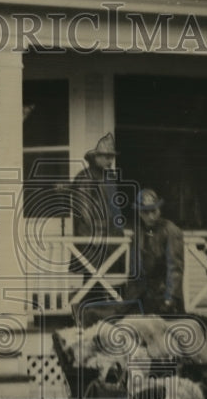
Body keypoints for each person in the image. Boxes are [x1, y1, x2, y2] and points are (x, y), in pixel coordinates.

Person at [69, 132, 125, 306]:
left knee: (108, 281)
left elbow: (115, 208)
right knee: (92, 280)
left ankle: (102, 313)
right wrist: (95, 237)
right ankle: (88, 314)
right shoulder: (84, 178)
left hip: (111, 238)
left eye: (111, 157)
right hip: (92, 239)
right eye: (106, 157)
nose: (110, 161)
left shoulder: (109, 178)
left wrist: (118, 232)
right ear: (95, 158)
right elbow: (84, 212)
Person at [124, 189, 185, 315]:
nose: (151, 216)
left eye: (154, 211)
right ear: (139, 213)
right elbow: (135, 268)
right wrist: (130, 297)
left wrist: (170, 298)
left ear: (159, 210)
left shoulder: (170, 231)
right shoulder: (139, 231)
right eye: (145, 212)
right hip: (142, 295)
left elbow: (175, 268)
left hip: (162, 296)